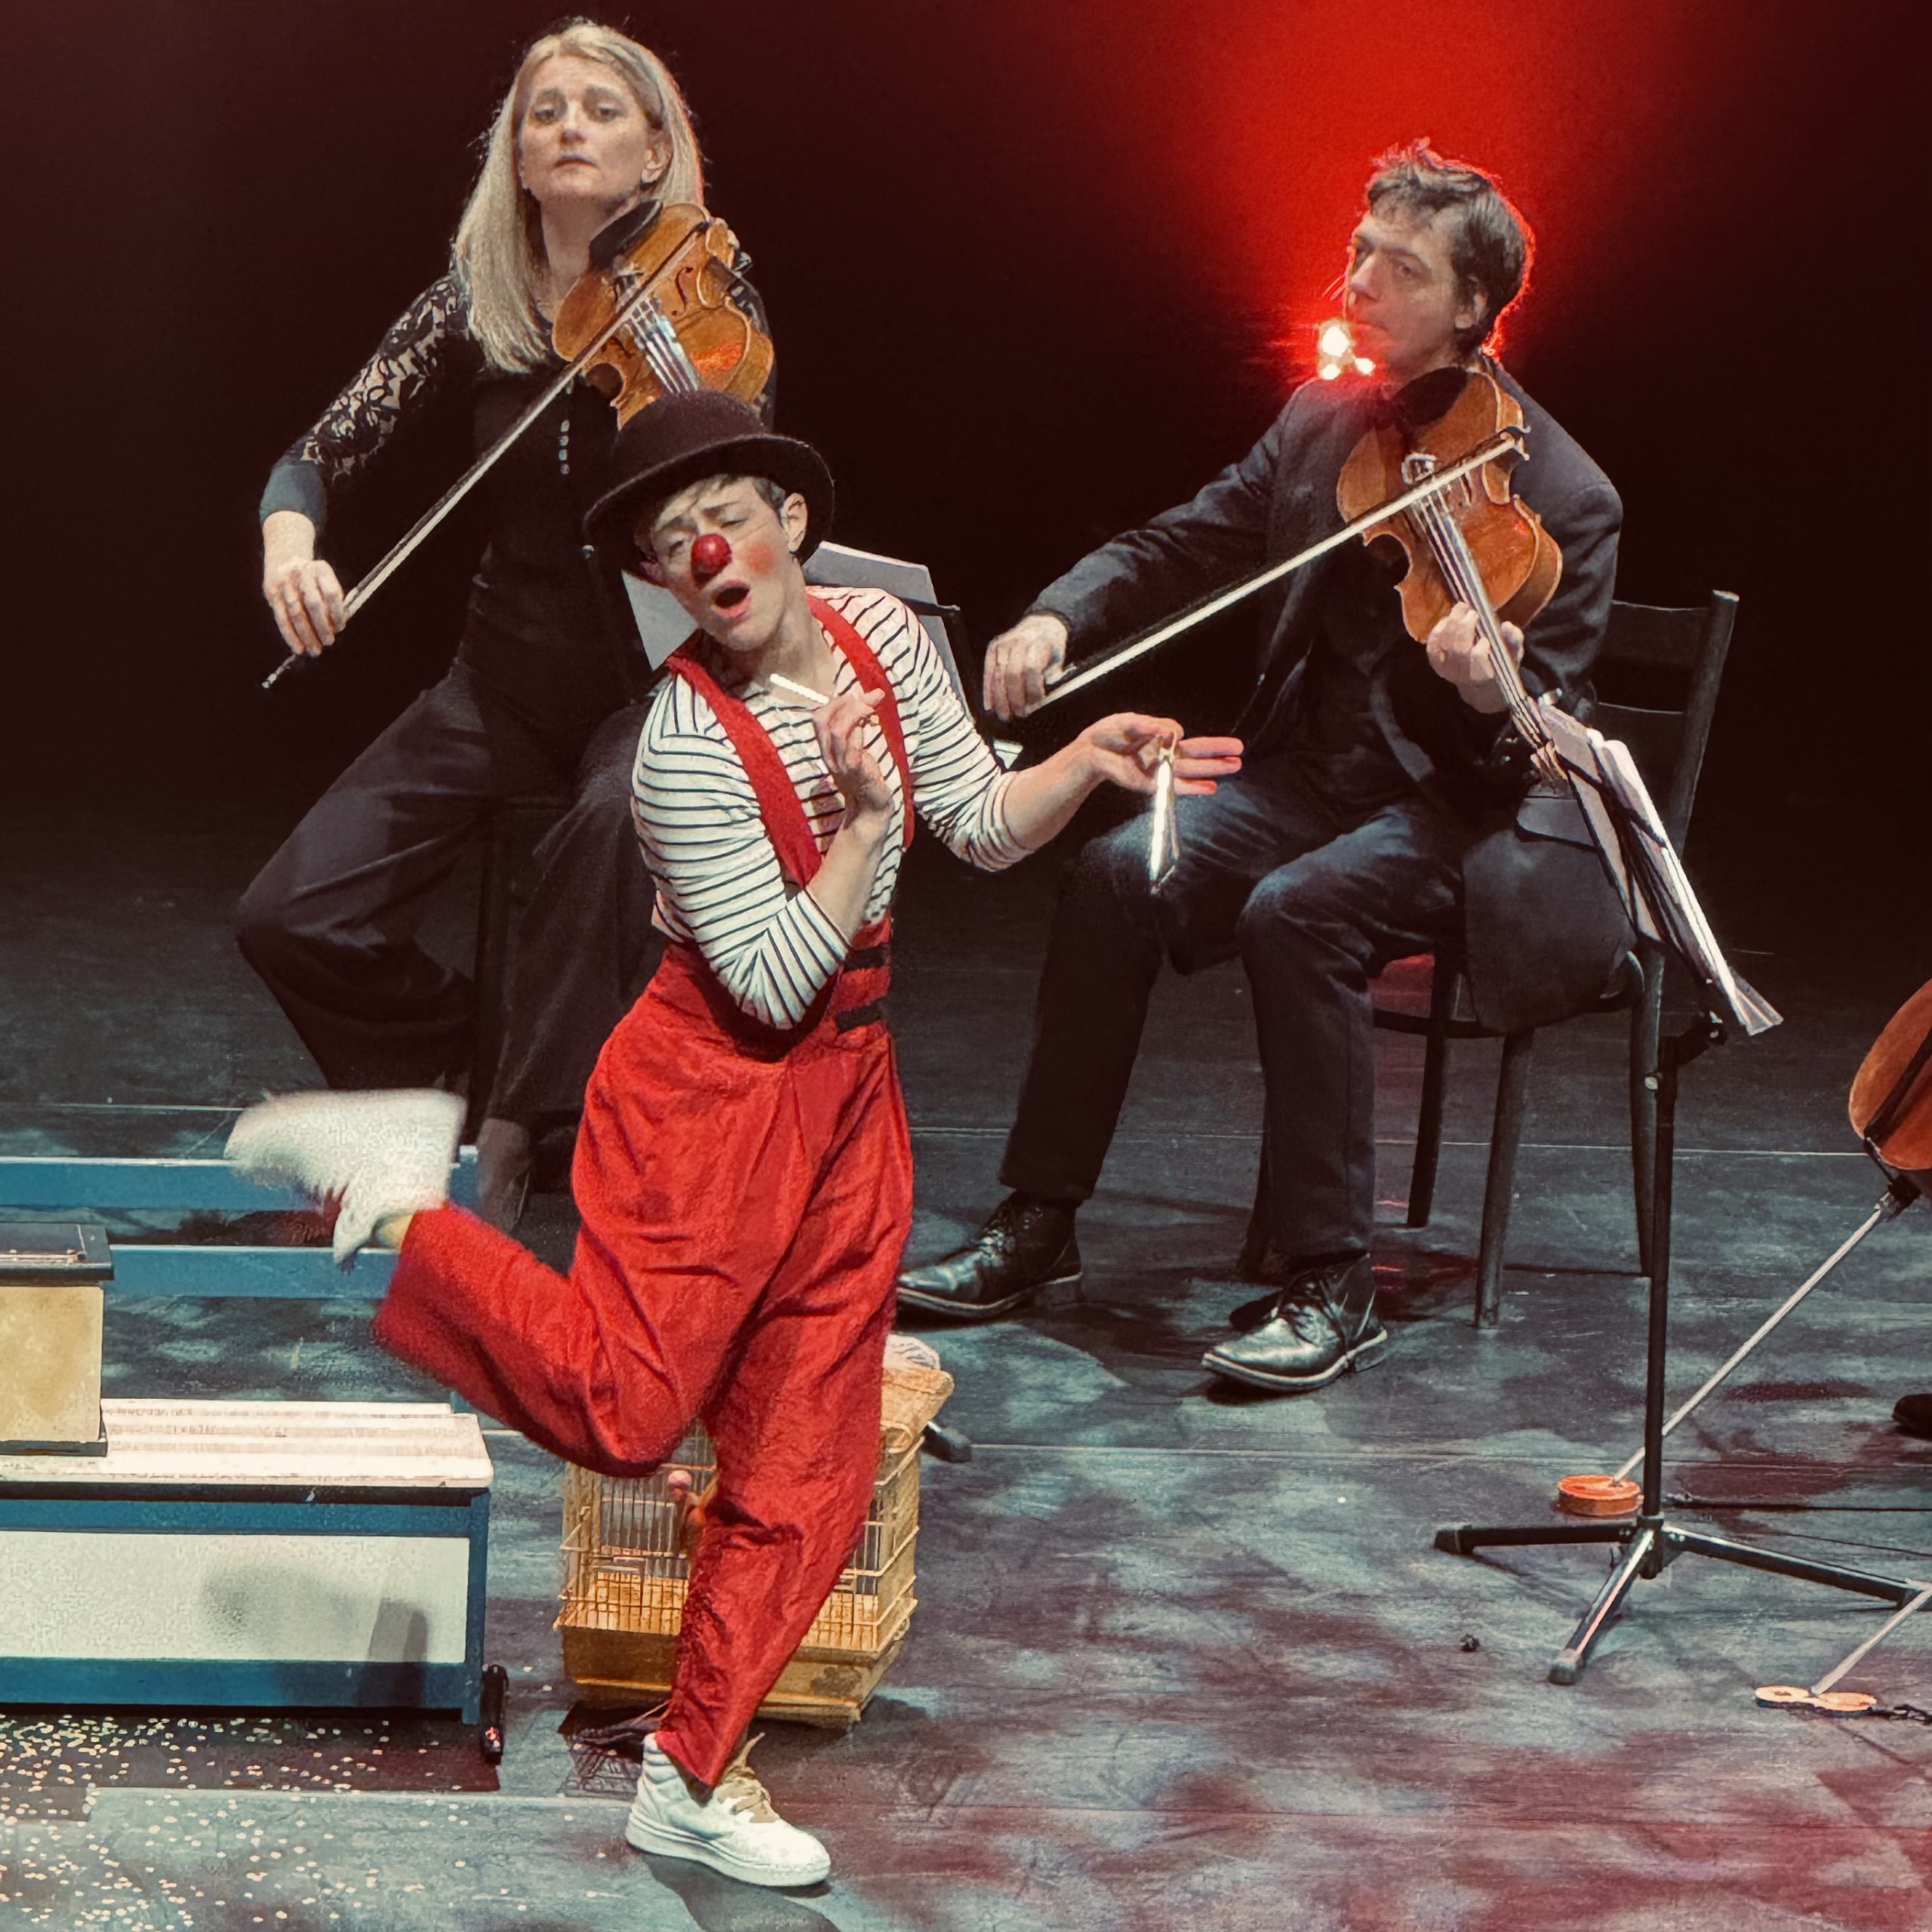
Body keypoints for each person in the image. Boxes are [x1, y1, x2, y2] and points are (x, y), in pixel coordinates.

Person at [224, 389, 1241, 1887]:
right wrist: (859, 827)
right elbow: (768, 979)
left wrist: (1082, 763)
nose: (706, 554)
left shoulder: (887, 640)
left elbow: (975, 820)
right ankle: (400, 1202)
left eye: (726, 519)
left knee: (806, 1470)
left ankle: (691, 1772)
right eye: (670, 542)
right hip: (705, 1097)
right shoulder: (682, 748)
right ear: (656, 578)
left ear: (792, 524)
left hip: (848, 1105)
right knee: (626, 1412)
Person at [897, 143, 1626, 1395]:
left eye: (1400, 269)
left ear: (1472, 304)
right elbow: (1181, 543)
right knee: (1118, 871)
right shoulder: (1320, 422)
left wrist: (1480, 683)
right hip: (1314, 778)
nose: (1361, 285)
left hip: (1462, 807)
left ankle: (1334, 1280)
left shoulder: (1565, 491)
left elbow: (1536, 741)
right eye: (1358, 255)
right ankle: (1040, 1222)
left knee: (1300, 911)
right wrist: (1059, 615)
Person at [237, 21, 767, 1226]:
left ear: (655, 153)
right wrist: (290, 548)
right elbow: (318, 453)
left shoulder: (707, 302)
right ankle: (460, 1065)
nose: (569, 127)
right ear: (518, 158)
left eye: (602, 109)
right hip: (500, 679)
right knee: (287, 914)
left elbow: (745, 500)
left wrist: (674, 391)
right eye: (546, 112)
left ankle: (523, 1127)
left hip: (653, 680)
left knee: (609, 826)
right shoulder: (475, 302)